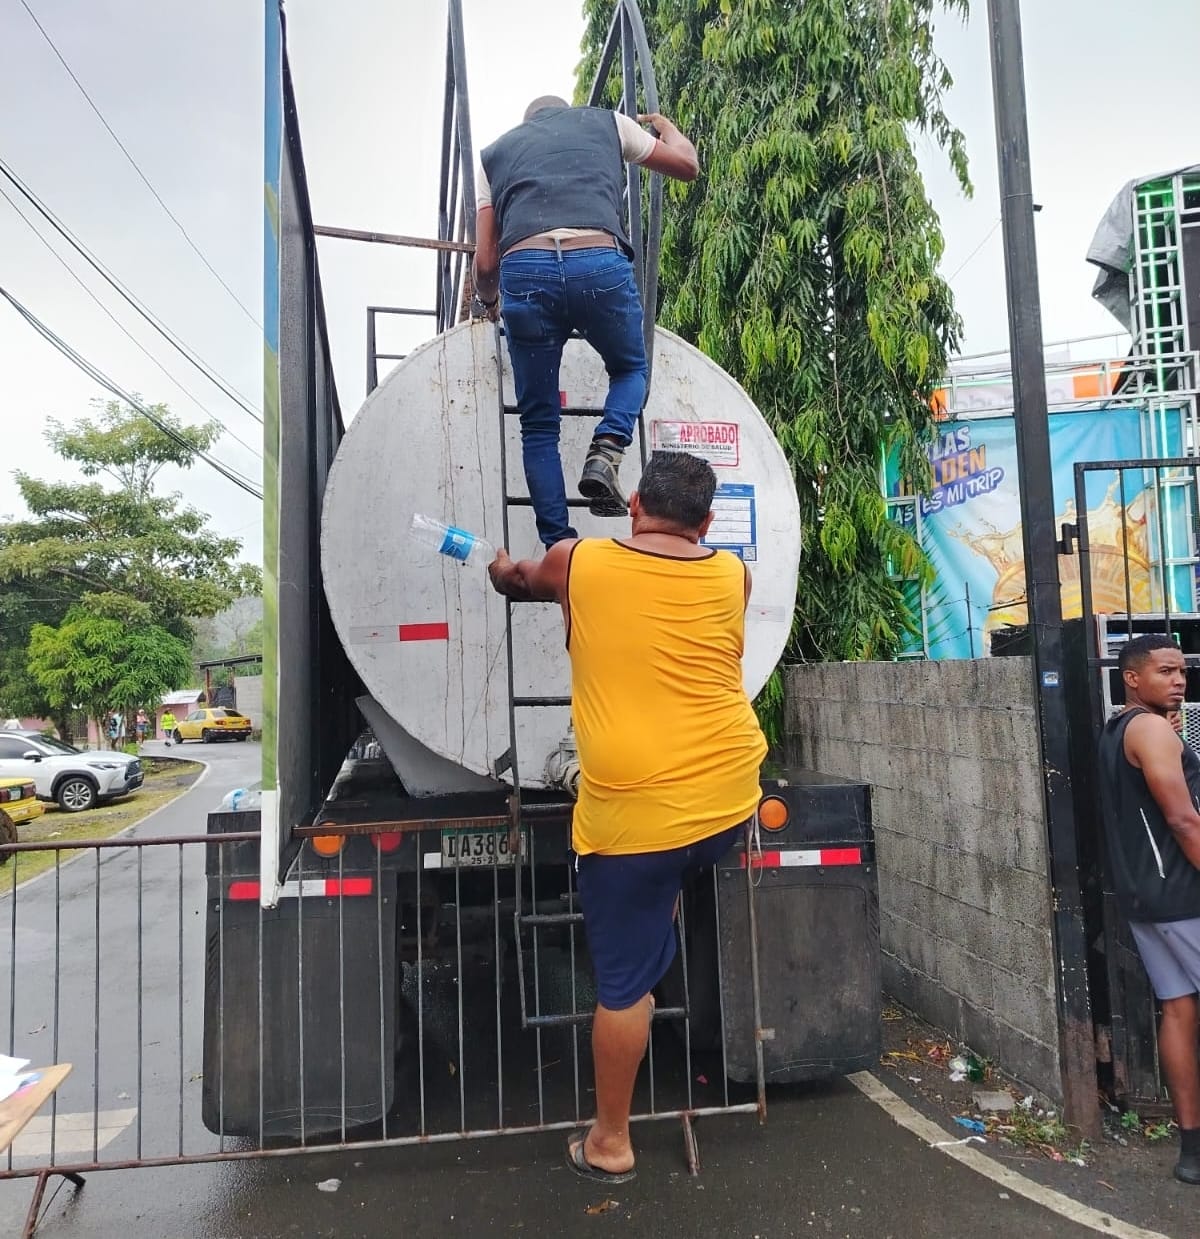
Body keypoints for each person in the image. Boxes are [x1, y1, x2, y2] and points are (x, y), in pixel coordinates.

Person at [487, 451, 766, 1183]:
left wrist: (500, 567)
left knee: (623, 991)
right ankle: (658, 913)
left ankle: (610, 1142)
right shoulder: (733, 574)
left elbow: (520, 581)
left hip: (636, 820)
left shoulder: (578, 561)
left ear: (634, 503)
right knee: (669, 873)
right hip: (730, 798)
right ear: (707, 521)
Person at [472, 96, 699, 548]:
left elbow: (486, 262)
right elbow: (687, 166)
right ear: (568, 113)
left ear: (527, 123)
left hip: (526, 272)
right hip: (597, 262)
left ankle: (561, 548)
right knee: (630, 369)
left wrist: (490, 302)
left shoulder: (493, 155)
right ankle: (608, 448)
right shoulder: (610, 124)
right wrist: (668, 128)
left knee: (538, 426)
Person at [1098, 634, 1200, 1183]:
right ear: (1132, 678)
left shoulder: (1118, 729)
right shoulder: (1152, 731)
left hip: (1145, 899)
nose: (1178, 680)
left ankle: (1193, 1152)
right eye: (1165, 671)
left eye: (1181, 670)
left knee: (1179, 1012)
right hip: (1184, 894)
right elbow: (1183, 820)